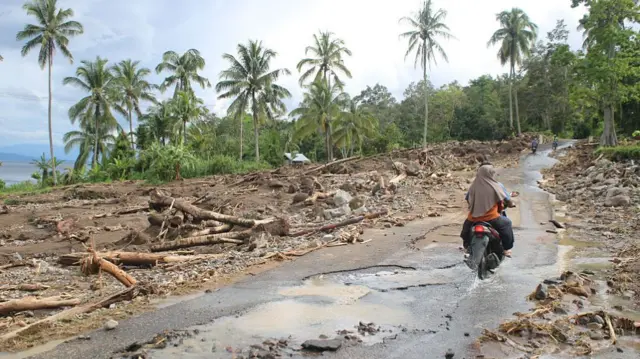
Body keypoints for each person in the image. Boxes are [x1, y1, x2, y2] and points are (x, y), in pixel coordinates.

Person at [460, 164, 515, 257]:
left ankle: (467, 248)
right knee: (507, 223)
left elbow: (468, 199)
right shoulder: (496, 185)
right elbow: (506, 199)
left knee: (465, 232)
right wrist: (511, 203)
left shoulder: (473, 186)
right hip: (492, 218)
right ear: (491, 174)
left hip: (473, 218)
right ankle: (506, 249)